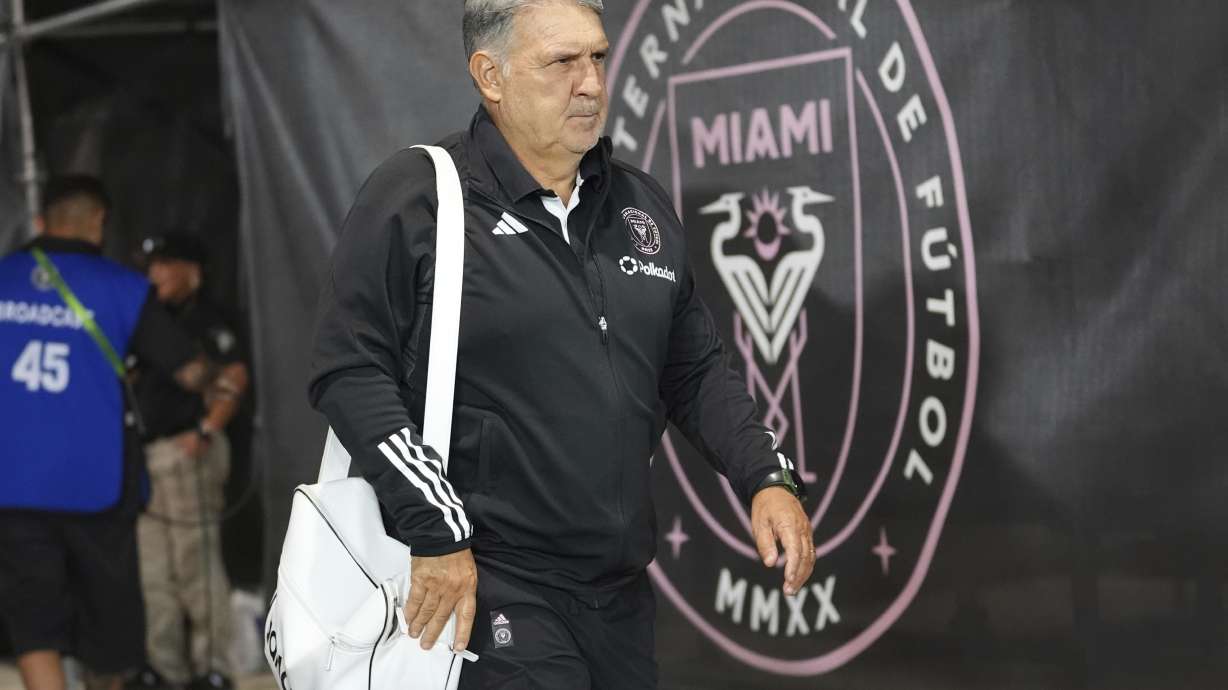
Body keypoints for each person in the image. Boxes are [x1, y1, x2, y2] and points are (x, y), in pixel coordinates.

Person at [308, 1, 815, 687]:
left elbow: (694, 368)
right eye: (562, 62)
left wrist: (767, 476)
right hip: (492, 585)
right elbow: (348, 367)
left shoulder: (639, 205)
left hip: (621, 593)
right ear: (491, 75)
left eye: (598, 57)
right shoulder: (420, 197)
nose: (591, 83)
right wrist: (435, 527)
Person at [0, 176, 245, 690]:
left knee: (36, 632)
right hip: (96, 487)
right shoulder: (122, 289)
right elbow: (188, 372)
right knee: (108, 638)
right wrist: (223, 380)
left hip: (14, 484)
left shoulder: (5, 279)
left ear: (41, 220)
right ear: (99, 223)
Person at [128, 234, 249, 690]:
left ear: (191, 269)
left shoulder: (209, 319)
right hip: (146, 455)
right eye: (151, 264)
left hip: (186, 452)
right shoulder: (147, 319)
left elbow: (234, 378)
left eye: (164, 264)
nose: (154, 273)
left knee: (195, 565)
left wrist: (207, 430)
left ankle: (212, 668)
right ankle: (164, 669)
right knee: (153, 570)